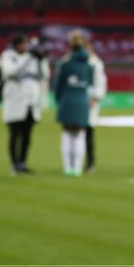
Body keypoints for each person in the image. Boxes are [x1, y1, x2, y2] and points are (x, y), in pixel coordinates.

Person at [0, 34, 49, 175]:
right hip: (14, 101)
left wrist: (40, 60)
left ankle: (22, 163)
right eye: (22, 44)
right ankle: (14, 164)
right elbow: (10, 72)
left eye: (26, 44)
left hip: (31, 103)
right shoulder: (8, 56)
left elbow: (44, 76)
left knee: (27, 135)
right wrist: (29, 58)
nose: (25, 47)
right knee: (14, 134)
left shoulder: (33, 58)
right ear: (16, 45)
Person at [53, 31, 94, 177]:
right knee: (80, 135)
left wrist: (59, 100)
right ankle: (77, 169)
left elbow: (58, 86)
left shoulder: (65, 64)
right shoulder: (89, 65)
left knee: (67, 135)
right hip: (82, 101)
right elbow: (90, 84)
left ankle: (67, 168)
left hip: (67, 100)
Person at [85, 41, 108, 173]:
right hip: (81, 99)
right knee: (78, 133)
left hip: (90, 99)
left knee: (88, 132)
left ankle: (90, 162)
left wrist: (95, 98)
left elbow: (101, 83)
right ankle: (78, 161)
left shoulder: (96, 63)